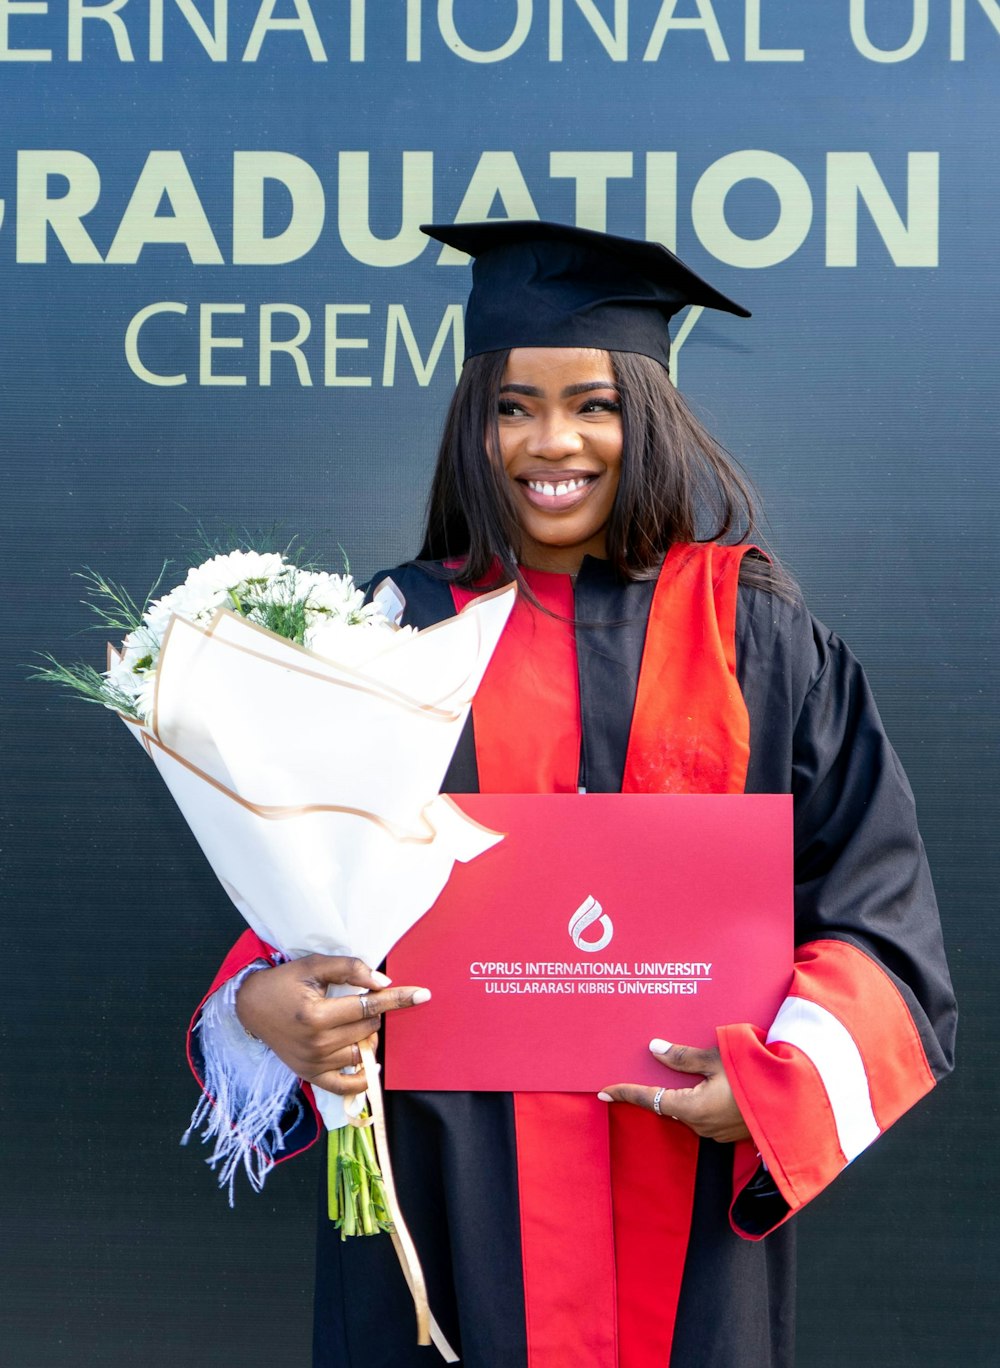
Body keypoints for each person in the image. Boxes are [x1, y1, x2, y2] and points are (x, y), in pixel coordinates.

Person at [188, 221, 957, 1368]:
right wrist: (265, 1013)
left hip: (673, 1186)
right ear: (471, 423)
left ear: (644, 415)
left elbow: (881, 931)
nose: (552, 441)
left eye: (593, 403)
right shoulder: (381, 634)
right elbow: (299, 903)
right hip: (445, 1182)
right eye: (511, 406)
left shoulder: (760, 642)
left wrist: (771, 1085)